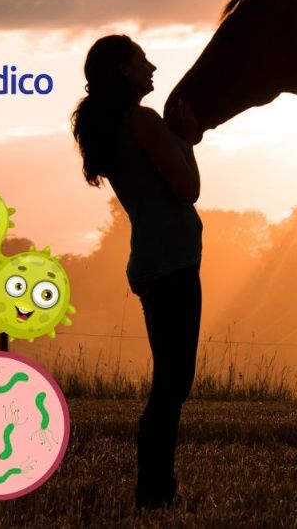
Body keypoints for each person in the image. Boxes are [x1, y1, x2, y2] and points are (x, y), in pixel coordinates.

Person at [71, 34, 203, 509]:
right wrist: (187, 140)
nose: (151, 66)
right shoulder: (143, 122)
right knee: (173, 384)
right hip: (172, 264)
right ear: (124, 70)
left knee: (170, 381)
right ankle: (154, 491)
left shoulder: (121, 125)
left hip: (153, 262)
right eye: (141, 59)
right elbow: (187, 189)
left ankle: (157, 489)